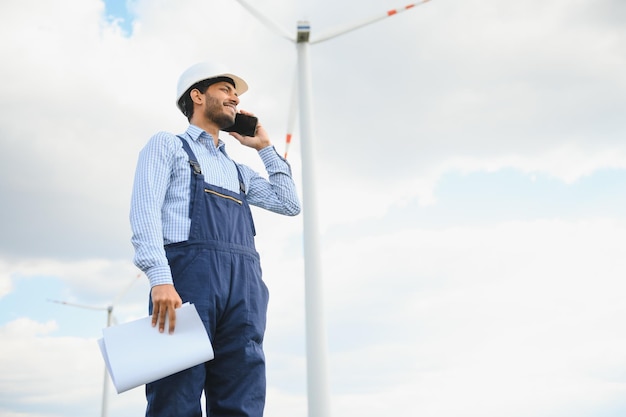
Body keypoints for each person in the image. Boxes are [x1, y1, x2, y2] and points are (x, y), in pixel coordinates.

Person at [130, 61, 301, 417]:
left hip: (244, 287)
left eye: (235, 93)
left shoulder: (239, 170)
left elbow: (289, 203)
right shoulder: (168, 146)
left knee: (242, 391)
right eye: (226, 89)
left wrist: (265, 147)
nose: (235, 97)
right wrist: (159, 278)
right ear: (197, 95)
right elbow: (144, 211)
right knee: (174, 391)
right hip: (186, 281)